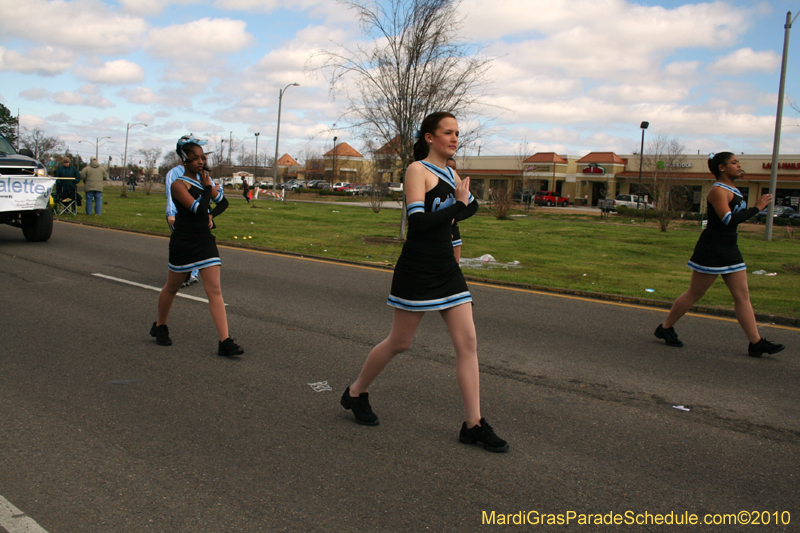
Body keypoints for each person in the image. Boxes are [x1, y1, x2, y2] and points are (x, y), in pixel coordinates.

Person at [340, 112, 506, 452]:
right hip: (417, 267)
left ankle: (473, 425)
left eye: (457, 133)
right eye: (447, 132)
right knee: (400, 342)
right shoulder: (418, 170)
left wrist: (462, 204)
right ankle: (356, 391)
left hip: (447, 268)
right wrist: (458, 205)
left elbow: (470, 209)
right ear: (429, 137)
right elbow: (417, 222)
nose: (455, 138)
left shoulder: (450, 172)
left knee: (468, 342)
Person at [654, 152, 785, 357]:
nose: (739, 166)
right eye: (734, 162)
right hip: (712, 249)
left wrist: (754, 208)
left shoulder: (733, 188)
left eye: (738, 162)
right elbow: (728, 220)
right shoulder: (717, 190)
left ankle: (756, 342)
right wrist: (756, 208)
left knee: (742, 296)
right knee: (695, 293)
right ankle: (665, 327)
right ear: (722, 168)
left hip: (730, 248)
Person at [150, 136, 243, 357]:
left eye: (202, 157)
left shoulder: (204, 181)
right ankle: (160, 325)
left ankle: (225, 341)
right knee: (171, 287)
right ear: (184, 160)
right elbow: (198, 209)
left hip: (204, 241)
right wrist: (208, 189)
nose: (200, 162)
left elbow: (223, 203)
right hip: (183, 242)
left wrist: (212, 211)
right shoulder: (178, 184)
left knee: (214, 290)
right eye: (195, 158)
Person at [165, 147, 199, 288]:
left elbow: (210, 191)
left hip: (196, 215)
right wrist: (171, 213)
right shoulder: (174, 173)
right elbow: (170, 194)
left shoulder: (200, 174)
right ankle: (180, 274)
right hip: (180, 215)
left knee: (196, 244)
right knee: (182, 245)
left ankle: (192, 274)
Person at [446, 157, 463, 262]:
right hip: (436, 234)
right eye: (449, 167)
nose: (452, 170)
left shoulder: (457, 186)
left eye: (454, 168)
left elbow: (470, 206)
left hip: (452, 230)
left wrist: (454, 218)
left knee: (455, 268)